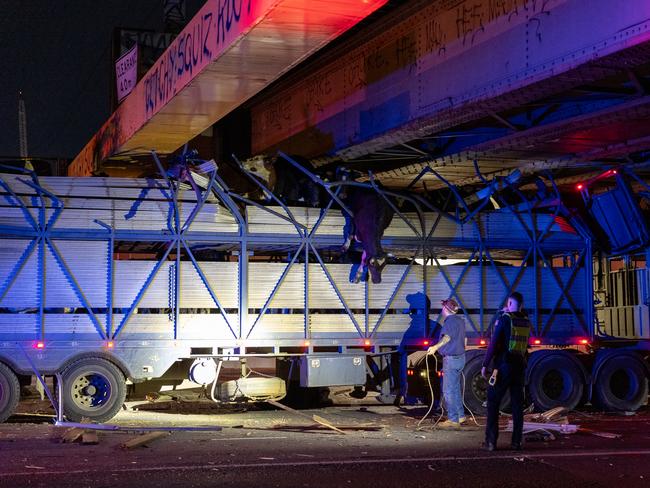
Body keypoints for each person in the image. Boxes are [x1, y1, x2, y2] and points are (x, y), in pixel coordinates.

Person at [481, 291, 532, 451]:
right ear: (522, 305)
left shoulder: (504, 319)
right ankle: (516, 442)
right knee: (517, 405)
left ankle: (490, 442)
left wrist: (485, 364)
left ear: (509, 304)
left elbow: (494, 343)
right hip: (520, 366)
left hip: (504, 365)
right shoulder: (525, 320)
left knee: (493, 402)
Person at [427, 298, 466, 428]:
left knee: (448, 390)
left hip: (451, 359)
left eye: (443, 308)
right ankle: (460, 416)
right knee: (455, 388)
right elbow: (464, 340)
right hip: (460, 358)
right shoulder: (460, 321)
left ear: (446, 309)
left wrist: (435, 347)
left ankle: (453, 419)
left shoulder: (449, 322)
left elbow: (447, 337)